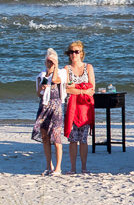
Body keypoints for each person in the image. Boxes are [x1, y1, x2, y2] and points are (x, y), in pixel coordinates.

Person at [32, 48, 66, 176]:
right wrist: (42, 85)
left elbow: (56, 80)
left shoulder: (61, 73)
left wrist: (55, 67)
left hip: (55, 106)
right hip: (44, 106)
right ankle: (48, 166)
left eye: (52, 61)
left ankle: (58, 167)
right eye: (48, 61)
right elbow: (38, 93)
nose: (50, 63)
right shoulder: (42, 75)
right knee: (45, 136)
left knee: (56, 137)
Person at [63, 41, 95, 174]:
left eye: (76, 52)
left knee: (83, 139)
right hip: (71, 107)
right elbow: (66, 89)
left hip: (85, 108)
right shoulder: (66, 69)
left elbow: (92, 88)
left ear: (81, 53)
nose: (74, 54)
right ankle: (72, 168)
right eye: (71, 52)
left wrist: (75, 88)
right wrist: (82, 89)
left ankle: (83, 167)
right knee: (72, 139)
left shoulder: (88, 67)